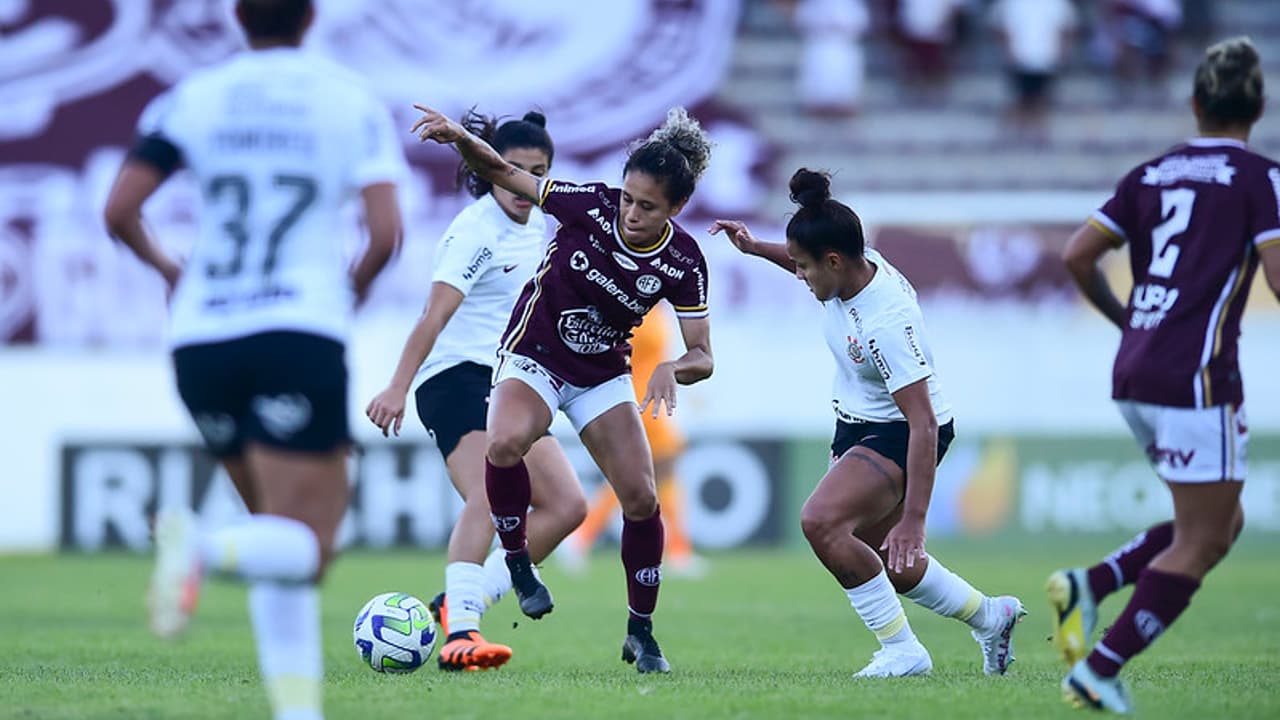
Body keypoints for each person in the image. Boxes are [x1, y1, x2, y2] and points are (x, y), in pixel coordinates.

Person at [101, 1, 405, 718]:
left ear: (239, 16)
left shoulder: (195, 98)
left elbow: (119, 210)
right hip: (295, 329)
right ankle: (199, 543)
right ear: (311, 15)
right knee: (311, 545)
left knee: (274, 532)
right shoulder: (348, 99)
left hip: (201, 337)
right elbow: (386, 233)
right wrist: (348, 295)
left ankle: (297, 712)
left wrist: (172, 272)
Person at [411, 103, 714, 674]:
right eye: (628, 197)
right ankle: (519, 566)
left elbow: (703, 353)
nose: (630, 213)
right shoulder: (590, 204)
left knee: (643, 498)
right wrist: (457, 138)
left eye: (647, 206)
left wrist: (677, 366)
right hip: (535, 356)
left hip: (601, 373)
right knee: (503, 444)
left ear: (676, 209)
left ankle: (641, 633)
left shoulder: (684, 261)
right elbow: (505, 174)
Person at [710, 169, 1026, 679]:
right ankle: (992, 616)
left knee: (821, 522)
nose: (801, 277)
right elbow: (811, 258)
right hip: (857, 423)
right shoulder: (854, 262)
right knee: (889, 562)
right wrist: (755, 249)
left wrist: (916, 520)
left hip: (902, 431)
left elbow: (923, 423)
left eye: (805, 268)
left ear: (833, 261)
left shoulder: (886, 323)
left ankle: (903, 650)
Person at [1050, 36, 1280, 714]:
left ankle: (1091, 584)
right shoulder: (1262, 178)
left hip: (1135, 372)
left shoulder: (1151, 173)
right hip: (1197, 376)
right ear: (1258, 106)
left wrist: (1127, 321)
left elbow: (1077, 256)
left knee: (1217, 520)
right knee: (1204, 539)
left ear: (1196, 102)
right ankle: (1099, 669)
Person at [364, 110, 587, 671]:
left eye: (538, 171)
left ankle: (456, 603)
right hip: (455, 378)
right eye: (512, 168)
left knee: (566, 506)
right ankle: (462, 632)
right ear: (487, 168)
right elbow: (433, 316)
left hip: (514, 382)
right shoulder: (475, 231)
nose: (523, 182)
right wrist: (397, 385)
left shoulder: (543, 224)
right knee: (493, 495)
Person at [561, 304, 705, 577]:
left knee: (651, 471)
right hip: (638, 395)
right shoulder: (635, 306)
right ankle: (676, 549)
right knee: (652, 468)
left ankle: (584, 537)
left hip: (653, 394)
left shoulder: (659, 306)